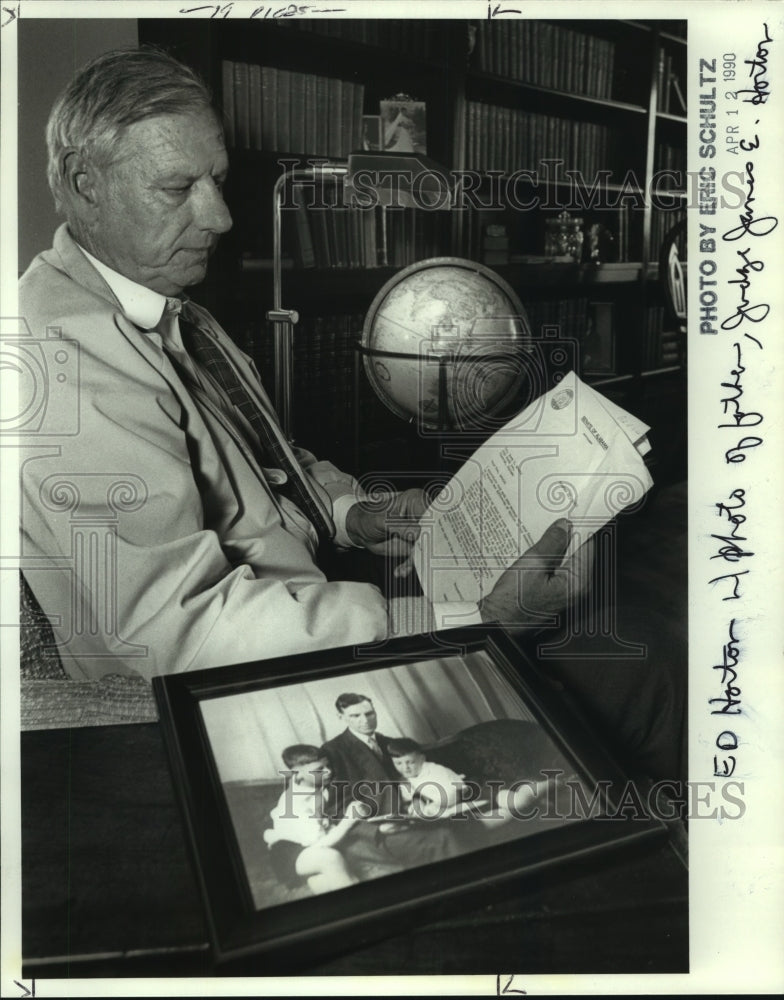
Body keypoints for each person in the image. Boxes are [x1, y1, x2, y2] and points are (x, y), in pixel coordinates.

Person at [19, 46, 591, 682]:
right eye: (178, 188)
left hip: (301, 618)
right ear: (83, 183)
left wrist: (353, 514)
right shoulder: (64, 360)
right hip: (232, 686)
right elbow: (180, 636)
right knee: (617, 687)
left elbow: (263, 461)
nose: (221, 217)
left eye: (218, 181)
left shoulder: (165, 307)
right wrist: (467, 618)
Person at [262, 744, 364, 894]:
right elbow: (320, 844)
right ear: (297, 773)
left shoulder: (318, 786)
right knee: (330, 858)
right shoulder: (294, 802)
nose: (328, 771)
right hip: (290, 853)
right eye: (319, 770)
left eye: (327, 766)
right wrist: (349, 820)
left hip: (311, 846)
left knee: (324, 882)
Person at [386, 737, 469, 819]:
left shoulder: (436, 771)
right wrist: (415, 804)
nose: (405, 768)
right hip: (431, 814)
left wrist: (436, 805)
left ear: (422, 759)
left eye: (411, 762)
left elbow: (455, 795)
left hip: (456, 806)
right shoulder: (405, 781)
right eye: (398, 763)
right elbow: (409, 800)